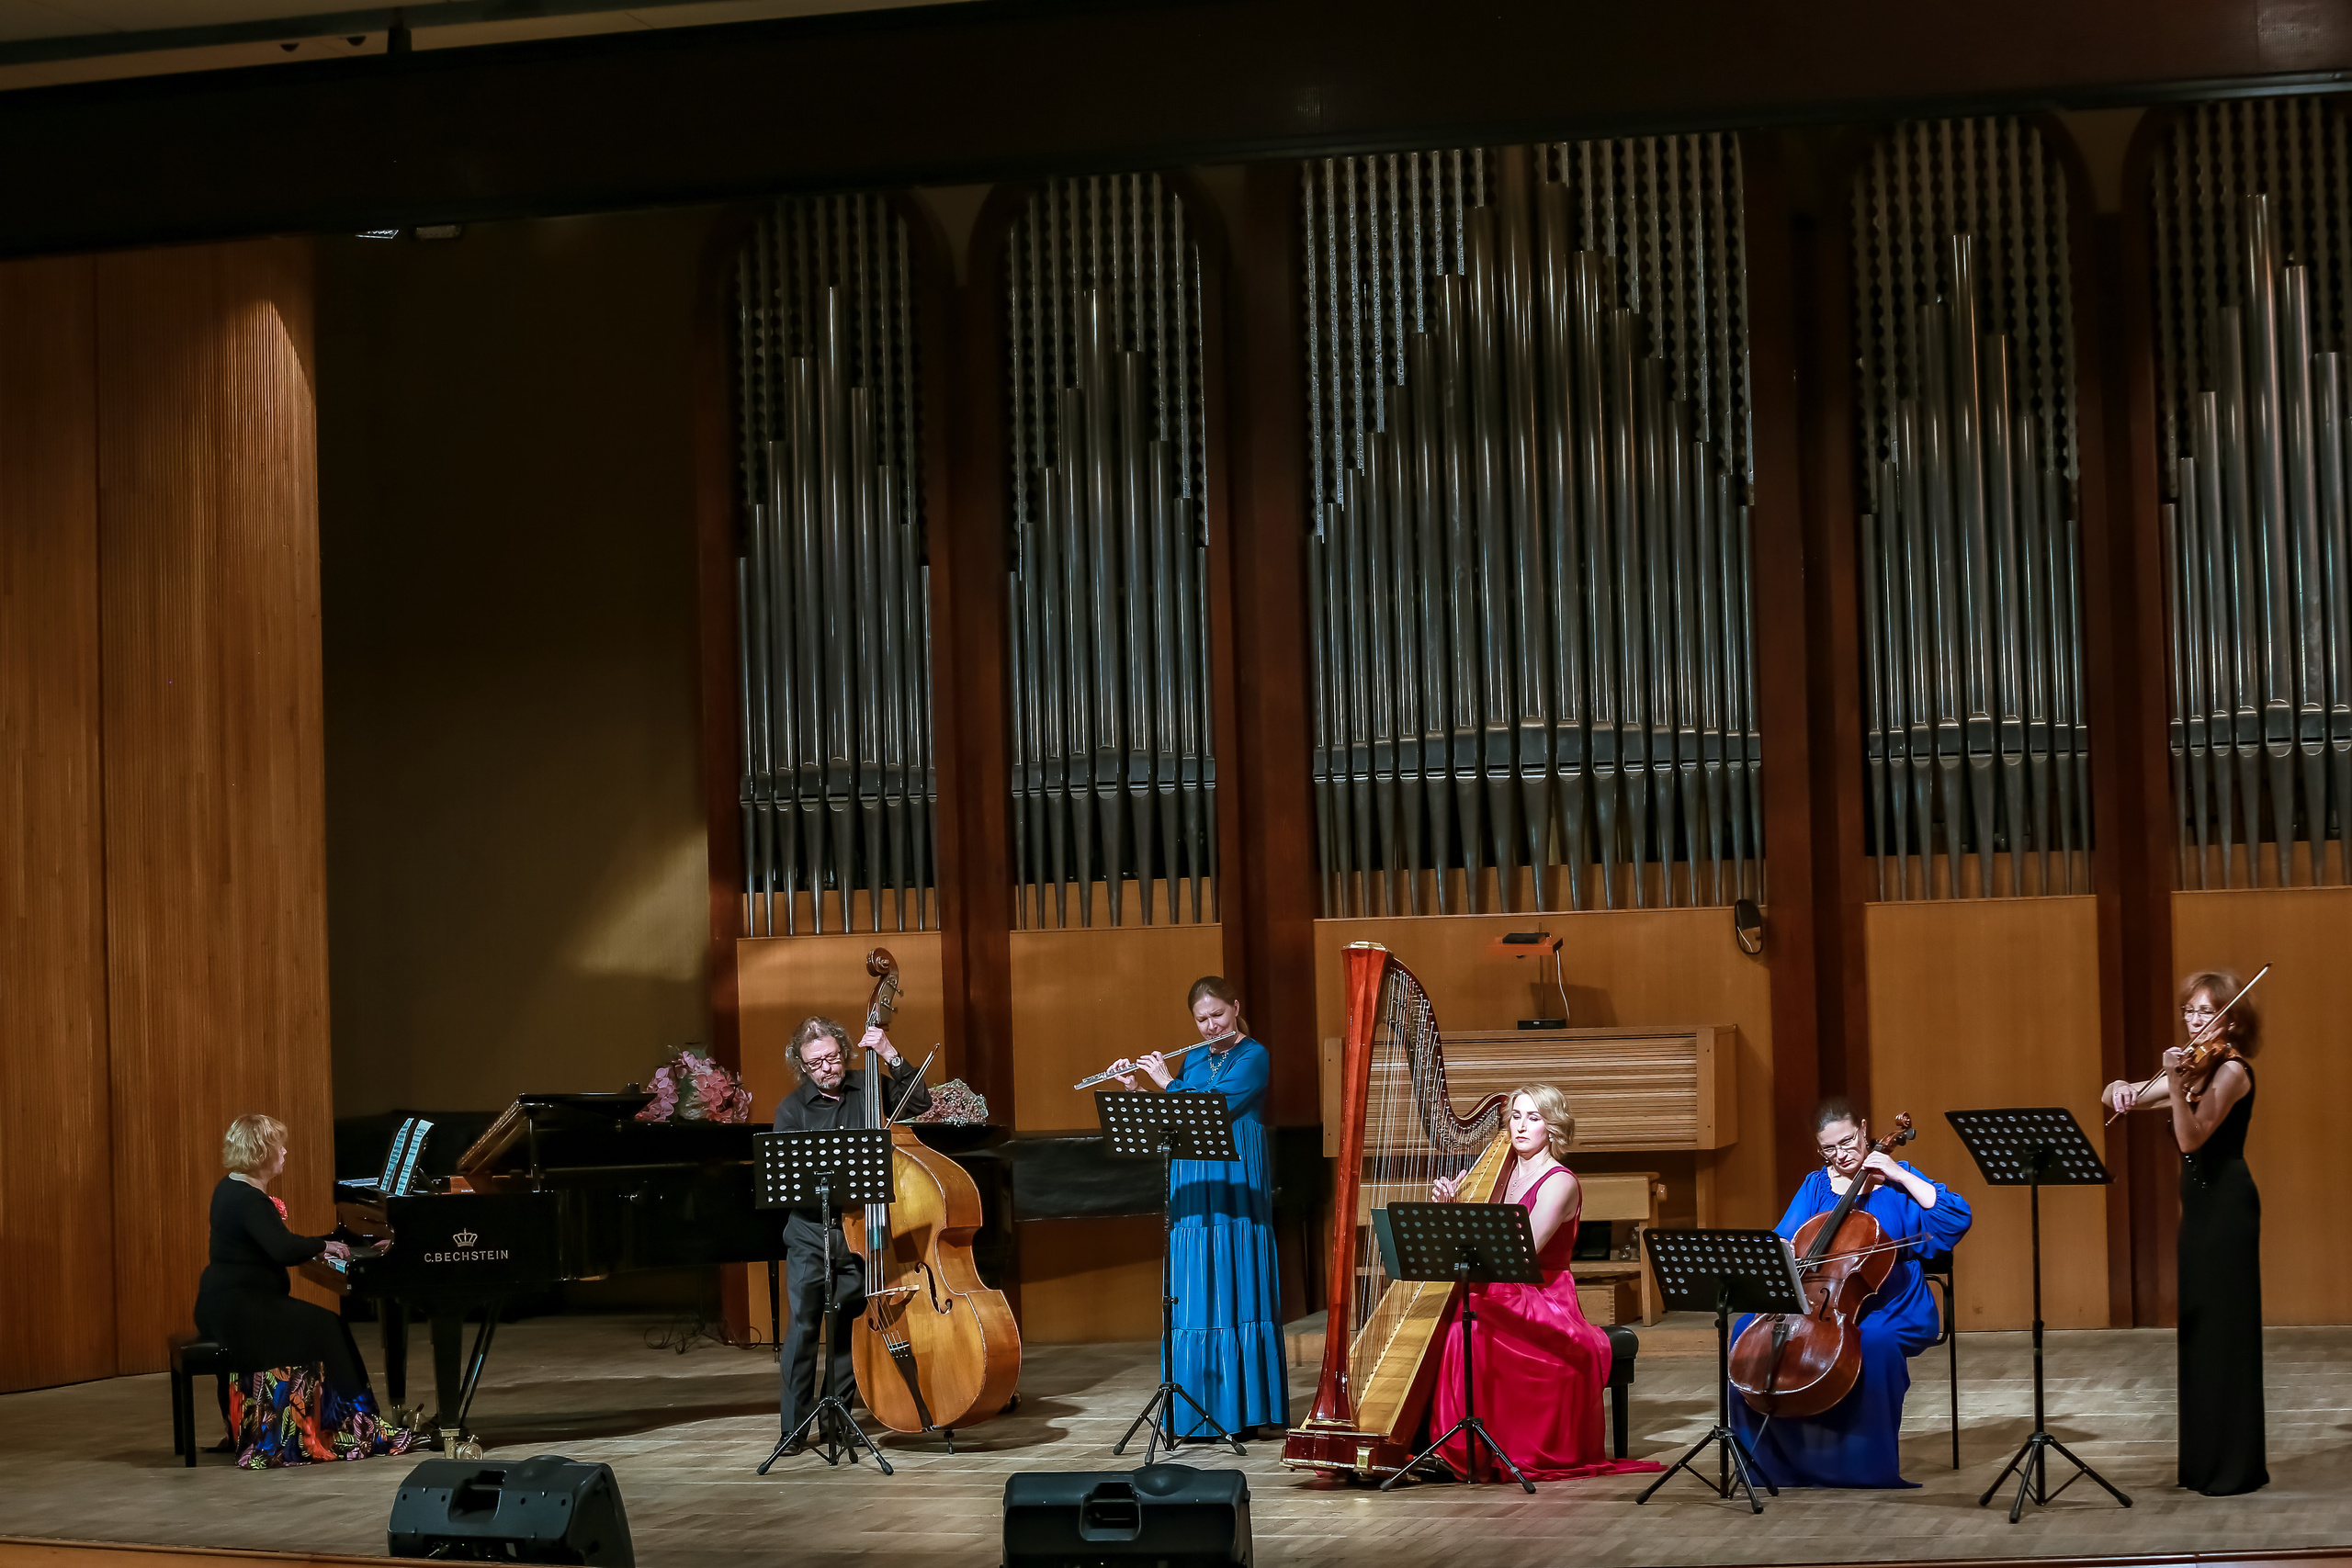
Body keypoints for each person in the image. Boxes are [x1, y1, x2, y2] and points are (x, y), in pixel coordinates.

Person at [1725, 1098, 1972, 1488]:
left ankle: (1864, 1468)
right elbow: (1783, 1239)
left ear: (1863, 1127)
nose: (1840, 1155)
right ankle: (1769, 1465)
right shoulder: (1816, 1185)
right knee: (1744, 1331)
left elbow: (1955, 1218)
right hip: (1821, 1303)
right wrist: (1786, 1249)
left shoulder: (1896, 1178)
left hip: (1891, 1303)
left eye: (1847, 1142)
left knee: (1873, 1343)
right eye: (1829, 1149)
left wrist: (1896, 1173)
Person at [1425, 1085, 1665, 1483]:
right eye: (1516, 1116)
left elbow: (1524, 1252)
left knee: (1468, 1326)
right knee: (1450, 1317)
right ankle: (1445, 1443)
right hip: (1494, 1289)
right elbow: (1465, 1247)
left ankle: (1465, 1452)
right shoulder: (1496, 1174)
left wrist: (1470, 1212)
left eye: (1533, 1118)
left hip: (1541, 1295)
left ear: (1552, 1128)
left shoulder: (1559, 1182)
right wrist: (1452, 1208)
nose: (1521, 1126)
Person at [2106, 970, 2267, 1495]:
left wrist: (2171, 1083)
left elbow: (2193, 1137)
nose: (2195, 1022)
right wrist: (2121, 1090)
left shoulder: (2233, 1072)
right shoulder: (2195, 1069)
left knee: (2226, 1334)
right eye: (2189, 1012)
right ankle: (2202, 1462)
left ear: (2231, 1020)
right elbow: (2119, 1097)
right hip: (2198, 1213)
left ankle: (2234, 1466)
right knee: (2200, 1332)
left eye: (2205, 1013)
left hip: (2227, 1211)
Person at [1106, 976, 1288, 1440]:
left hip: (1234, 1174)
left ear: (1235, 1007)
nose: (1210, 1026)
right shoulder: (1192, 1058)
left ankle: (1246, 1408)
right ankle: (1196, 1408)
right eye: (1202, 1020)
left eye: (1218, 1016)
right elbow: (1176, 1119)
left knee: (1234, 1278)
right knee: (1194, 1285)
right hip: (1192, 1175)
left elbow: (1216, 1107)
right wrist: (1136, 1091)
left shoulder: (1254, 1055)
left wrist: (1166, 1081)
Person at [192, 1113, 416, 1468]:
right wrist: (325, 1246)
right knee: (328, 1326)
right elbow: (282, 1249)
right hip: (241, 1310)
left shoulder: (232, 1188)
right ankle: (356, 1428)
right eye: (278, 1145)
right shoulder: (248, 1199)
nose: (284, 1151)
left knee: (326, 1325)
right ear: (262, 1152)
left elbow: (278, 1242)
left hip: (226, 1303)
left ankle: (331, 1424)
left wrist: (332, 1243)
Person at [769, 1016, 930, 1450]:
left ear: (845, 1051)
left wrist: (892, 1055)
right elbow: (788, 1182)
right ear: (803, 1066)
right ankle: (793, 1428)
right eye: (815, 1062)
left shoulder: (870, 1089)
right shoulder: (792, 1110)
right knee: (803, 1329)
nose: (826, 1068)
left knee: (846, 1331)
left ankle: (836, 1423)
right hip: (810, 1232)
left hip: (862, 1233)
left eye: (832, 1057)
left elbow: (919, 1105)